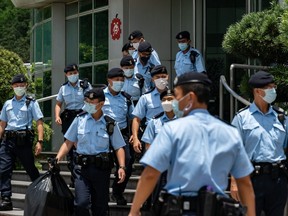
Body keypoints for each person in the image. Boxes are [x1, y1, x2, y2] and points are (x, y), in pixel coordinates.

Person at [129, 72, 255, 216]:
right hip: (217, 209)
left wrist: (134, 211)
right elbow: (244, 182)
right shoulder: (230, 132)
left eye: (176, 96)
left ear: (190, 97)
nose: (174, 102)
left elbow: (150, 174)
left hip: (180, 209)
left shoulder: (172, 129)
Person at [55, 88, 126, 216]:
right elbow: (68, 142)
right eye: (86, 101)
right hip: (82, 169)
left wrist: (121, 167)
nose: (88, 104)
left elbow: (118, 146)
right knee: (81, 204)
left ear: (101, 104)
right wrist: (58, 158)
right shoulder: (79, 120)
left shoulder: (109, 123)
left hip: (101, 170)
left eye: (91, 102)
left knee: (100, 207)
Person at [231, 71, 288, 216]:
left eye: (274, 87)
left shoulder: (281, 117)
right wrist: (234, 182)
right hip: (251, 179)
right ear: (257, 91)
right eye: (269, 88)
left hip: (278, 179)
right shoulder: (242, 118)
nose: (273, 91)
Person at [0, 74, 44, 211]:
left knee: (30, 169)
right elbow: (2, 123)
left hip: (24, 141)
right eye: (16, 85)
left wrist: (40, 141)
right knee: (3, 170)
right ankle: (6, 199)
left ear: (26, 86)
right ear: (12, 86)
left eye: (22, 85)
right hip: (8, 141)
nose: (19, 87)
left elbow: (39, 122)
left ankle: (41, 196)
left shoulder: (31, 102)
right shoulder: (8, 104)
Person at [54, 63, 92, 187]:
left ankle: (83, 176)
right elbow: (58, 104)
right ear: (66, 75)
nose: (73, 75)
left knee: (81, 146)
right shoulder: (63, 88)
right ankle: (74, 177)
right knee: (70, 149)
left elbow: (91, 101)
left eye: (75, 73)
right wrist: (57, 116)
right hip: (69, 118)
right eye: (70, 74)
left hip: (83, 116)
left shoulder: (85, 85)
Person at [102, 68, 134, 205]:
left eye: (122, 80)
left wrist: (134, 134)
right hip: (103, 135)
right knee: (103, 166)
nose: (120, 82)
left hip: (122, 134)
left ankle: (117, 192)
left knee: (127, 162)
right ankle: (100, 195)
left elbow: (133, 118)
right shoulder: (100, 96)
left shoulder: (127, 99)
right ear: (109, 80)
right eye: (117, 80)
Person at [132, 65, 168, 154]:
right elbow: (137, 119)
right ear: (152, 79)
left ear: (168, 77)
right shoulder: (146, 97)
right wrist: (136, 138)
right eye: (158, 77)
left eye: (163, 77)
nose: (161, 79)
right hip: (151, 138)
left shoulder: (176, 96)